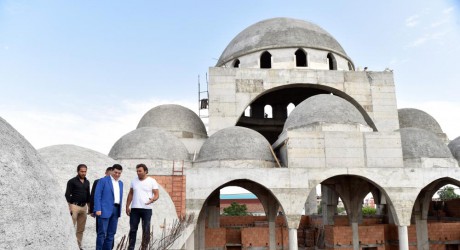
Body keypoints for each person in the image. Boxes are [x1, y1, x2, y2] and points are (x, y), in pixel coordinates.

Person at [126, 163, 159, 250]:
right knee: (133, 230)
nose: (138, 172)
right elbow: (131, 194)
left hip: (147, 209)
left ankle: (144, 248)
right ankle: (131, 248)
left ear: (145, 171)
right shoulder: (134, 181)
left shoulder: (152, 181)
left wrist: (153, 199)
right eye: (137, 171)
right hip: (135, 209)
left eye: (140, 171)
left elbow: (156, 194)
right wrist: (127, 206)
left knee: (146, 230)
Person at [94, 164, 124, 250]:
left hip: (116, 210)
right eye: (115, 172)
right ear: (111, 171)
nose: (117, 174)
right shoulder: (103, 181)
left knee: (111, 234)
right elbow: (97, 195)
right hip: (104, 210)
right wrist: (98, 209)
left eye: (119, 173)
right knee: (102, 233)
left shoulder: (120, 183)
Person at [65, 164, 91, 250]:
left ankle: (78, 246)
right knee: (71, 227)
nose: (84, 173)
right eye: (82, 171)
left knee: (81, 229)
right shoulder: (71, 181)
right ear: (78, 171)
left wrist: (89, 207)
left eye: (85, 171)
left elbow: (88, 195)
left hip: (84, 208)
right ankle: (68, 246)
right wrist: (69, 207)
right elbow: (67, 194)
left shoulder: (87, 182)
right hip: (74, 206)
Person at [90, 167, 114, 231]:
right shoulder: (98, 181)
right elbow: (93, 196)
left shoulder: (115, 183)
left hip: (111, 211)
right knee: (100, 230)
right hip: (100, 210)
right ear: (105, 173)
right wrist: (92, 210)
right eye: (109, 175)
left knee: (110, 230)